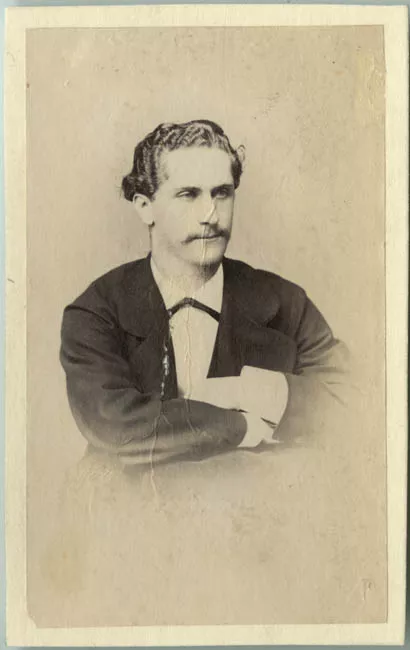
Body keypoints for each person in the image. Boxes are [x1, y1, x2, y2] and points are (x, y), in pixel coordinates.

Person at [60, 119, 348, 466]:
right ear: (145, 207)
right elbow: (114, 423)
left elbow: (353, 404)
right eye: (188, 194)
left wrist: (247, 391)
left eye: (221, 193)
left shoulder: (286, 302)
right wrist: (243, 427)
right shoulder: (96, 311)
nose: (210, 214)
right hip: (130, 499)